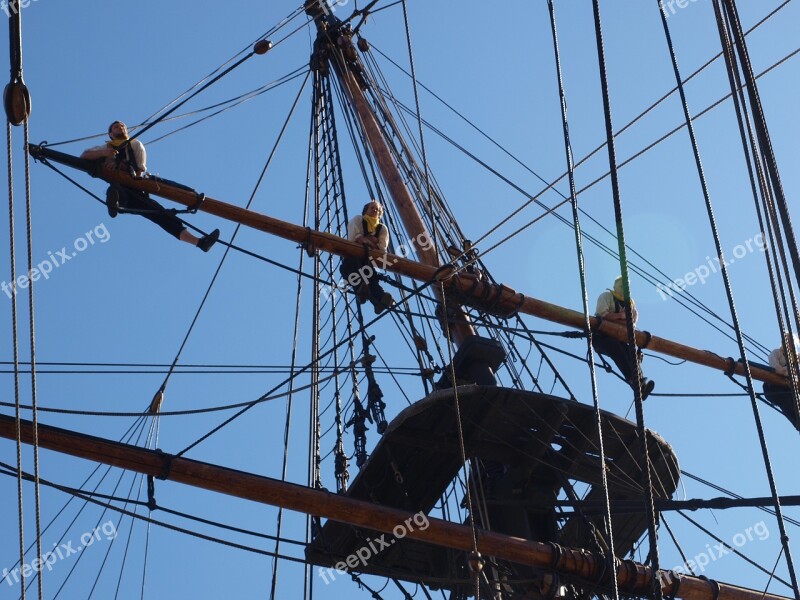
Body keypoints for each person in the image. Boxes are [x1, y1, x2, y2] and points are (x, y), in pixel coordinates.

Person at [81, 120, 219, 251]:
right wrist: (105, 154)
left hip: (136, 187)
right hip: (121, 188)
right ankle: (114, 203)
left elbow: (140, 171)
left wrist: (120, 166)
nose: (121, 127)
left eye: (122, 126)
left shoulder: (135, 144)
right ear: (110, 134)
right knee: (116, 190)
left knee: (163, 215)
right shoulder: (105, 148)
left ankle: (200, 243)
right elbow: (84, 156)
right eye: (116, 127)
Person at [592, 276, 655, 400]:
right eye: (621, 285)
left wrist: (613, 318)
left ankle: (640, 384)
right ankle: (634, 380)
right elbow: (601, 315)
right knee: (615, 347)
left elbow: (631, 325)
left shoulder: (631, 305)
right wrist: (621, 316)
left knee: (630, 353)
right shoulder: (606, 297)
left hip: (619, 339)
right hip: (601, 338)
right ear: (615, 286)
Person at [340, 200, 395, 314]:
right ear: (366, 210)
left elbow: (381, 249)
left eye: (378, 210)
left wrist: (365, 240)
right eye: (372, 208)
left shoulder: (382, 228)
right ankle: (362, 292)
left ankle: (378, 300)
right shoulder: (358, 220)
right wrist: (370, 241)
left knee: (371, 278)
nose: (375, 210)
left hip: (368, 261)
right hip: (353, 259)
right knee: (350, 267)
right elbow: (354, 238)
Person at [763, 334, 800, 429]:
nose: (789, 343)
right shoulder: (776, 353)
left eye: (791, 341)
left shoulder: (797, 359)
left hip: (789, 388)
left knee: (793, 402)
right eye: (787, 341)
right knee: (786, 400)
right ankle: (798, 423)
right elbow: (776, 368)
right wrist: (791, 372)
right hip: (774, 387)